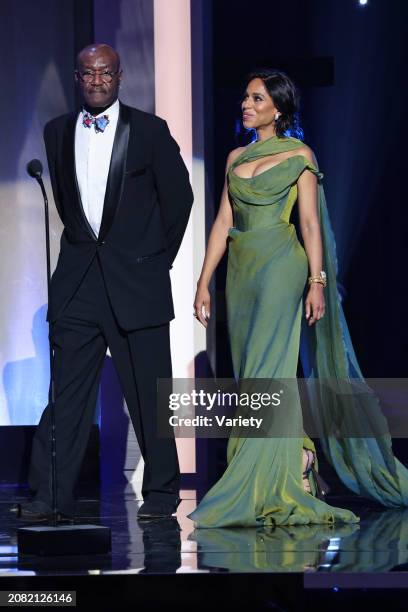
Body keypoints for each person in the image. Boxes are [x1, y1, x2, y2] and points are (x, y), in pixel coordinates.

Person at [188, 69, 408, 528]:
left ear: (278, 109)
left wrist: (317, 281)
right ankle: (299, 459)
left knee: (270, 370)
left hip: (282, 268)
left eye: (256, 98)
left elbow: (309, 224)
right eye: (245, 97)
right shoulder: (234, 157)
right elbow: (222, 224)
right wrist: (204, 280)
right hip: (243, 274)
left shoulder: (300, 155)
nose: (246, 104)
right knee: (252, 371)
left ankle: (275, 472)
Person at [13, 43, 193, 521]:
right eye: (89, 73)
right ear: (77, 77)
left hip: (138, 282)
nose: (97, 81)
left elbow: (179, 200)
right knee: (67, 397)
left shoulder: (150, 132)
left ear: (120, 76)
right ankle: (50, 495)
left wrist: (157, 262)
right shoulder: (57, 133)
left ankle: (160, 494)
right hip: (78, 286)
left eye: (106, 73)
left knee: (149, 396)